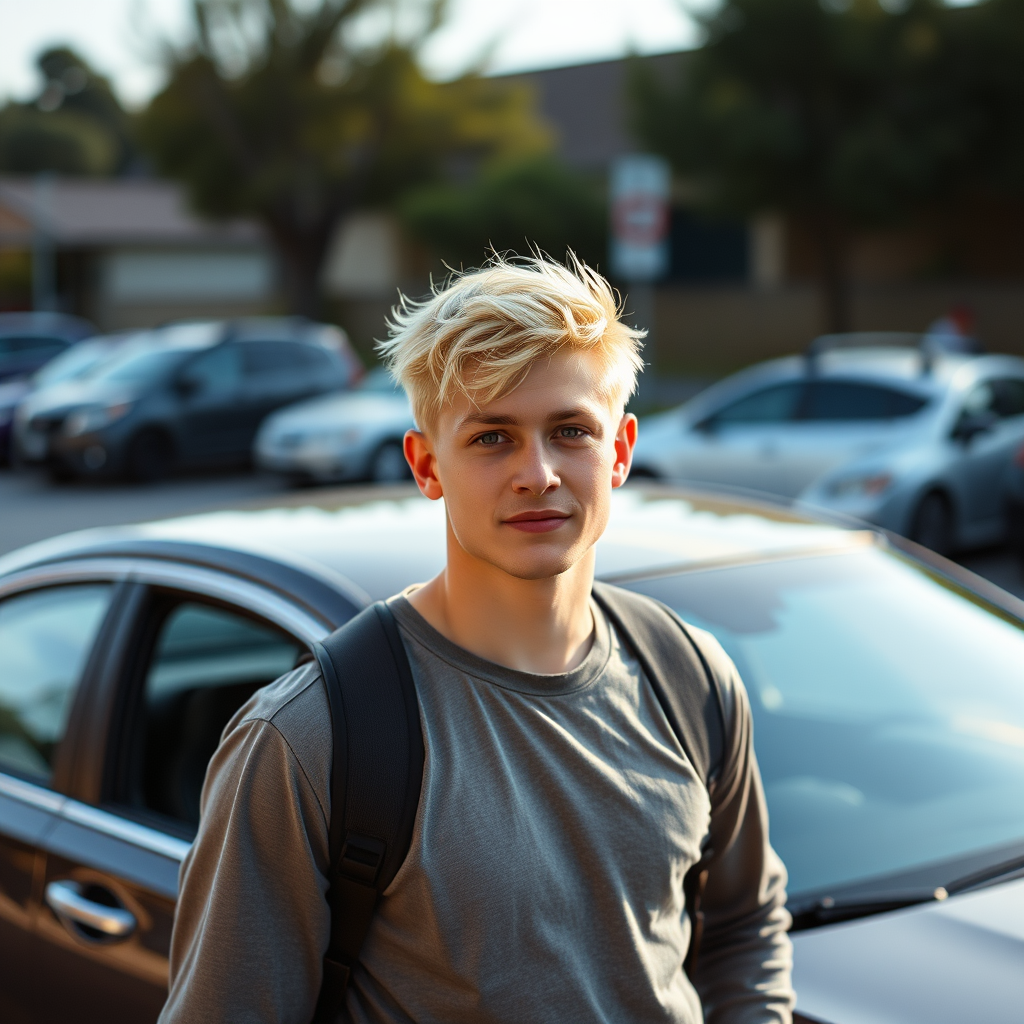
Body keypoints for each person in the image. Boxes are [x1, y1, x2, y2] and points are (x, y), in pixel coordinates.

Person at [160, 255, 794, 1024]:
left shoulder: (690, 677)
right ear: (427, 465)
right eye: (492, 437)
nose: (537, 473)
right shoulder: (306, 740)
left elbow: (744, 927)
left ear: (620, 452)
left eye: (570, 431)